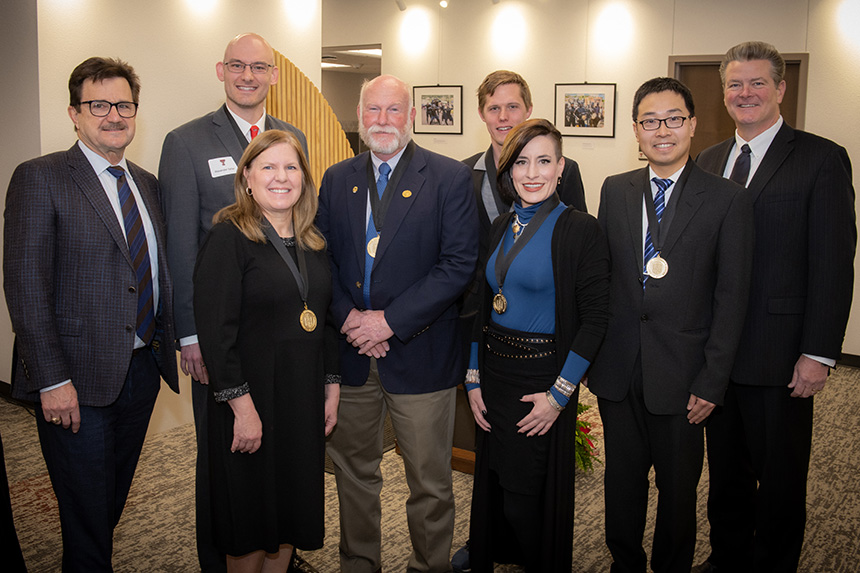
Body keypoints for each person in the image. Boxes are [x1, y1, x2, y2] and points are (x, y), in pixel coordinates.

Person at [3, 56, 179, 571]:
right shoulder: (41, 177)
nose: (114, 115)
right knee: (85, 514)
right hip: (73, 380)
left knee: (109, 504)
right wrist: (51, 379)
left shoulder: (146, 184)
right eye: (98, 104)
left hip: (142, 369)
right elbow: (25, 288)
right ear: (74, 113)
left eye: (124, 104)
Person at [693, 41, 856, 573]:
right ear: (723, 93)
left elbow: (834, 264)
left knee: (781, 478)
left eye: (758, 83)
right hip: (720, 356)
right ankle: (727, 558)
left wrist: (819, 353)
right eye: (735, 84)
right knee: (726, 475)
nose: (746, 94)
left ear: (781, 89)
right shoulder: (710, 161)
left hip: (783, 354)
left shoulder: (820, 157)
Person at [587, 77, 754, 573]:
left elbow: (732, 297)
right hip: (619, 371)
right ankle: (625, 563)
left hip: (684, 376)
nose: (663, 130)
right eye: (650, 121)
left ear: (693, 125)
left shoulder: (728, 199)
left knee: (678, 490)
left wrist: (713, 379)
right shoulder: (615, 190)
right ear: (636, 130)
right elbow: (605, 280)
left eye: (674, 119)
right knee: (621, 483)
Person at [157, 32, 308, 572]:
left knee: (282, 455)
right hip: (222, 340)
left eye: (259, 67)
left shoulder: (293, 137)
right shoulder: (186, 141)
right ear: (222, 71)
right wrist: (190, 335)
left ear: (272, 75)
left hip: (283, 337)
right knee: (226, 460)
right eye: (238, 66)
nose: (248, 75)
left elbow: (300, 226)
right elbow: (179, 245)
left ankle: (278, 554)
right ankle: (217, 561)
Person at [317, 74, 478, 573]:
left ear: (411, 116)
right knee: (354, 474)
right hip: (353, 355)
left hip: (420, 353)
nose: (382, 120)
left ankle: (428, 567)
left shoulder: (450, 178)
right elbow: (319, 260)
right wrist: (350, 321)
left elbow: (457, 265)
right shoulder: (337, 178)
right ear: (360, 117)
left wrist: (388, 322)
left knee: (429, 480)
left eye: (393, 110)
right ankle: (359, 564)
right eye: (372, 111)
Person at [464, 118, 609, 571]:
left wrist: (559, 396)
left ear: (561, 167)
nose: (532, 173)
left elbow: (596, 320)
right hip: (494, 378)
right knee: (498, 487)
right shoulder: (501, 226)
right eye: (521, 162)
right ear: (508, 172)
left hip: (540, 382)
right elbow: (479, 306)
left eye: (544, 161)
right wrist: (472, 379)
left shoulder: (580, 230)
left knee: (524, 503)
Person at [193, 129, 339, 573]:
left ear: (304, 179)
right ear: (247, 178)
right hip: (249, 402)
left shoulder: (313, 244)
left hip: (300, 401)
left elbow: (325, 319)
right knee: (251, 520)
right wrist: (243, 410)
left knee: (289, 515)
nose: (281, 177)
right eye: (269, 167)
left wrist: (330, 387)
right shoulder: (228, 239)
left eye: (291, 167)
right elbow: (217, 335)